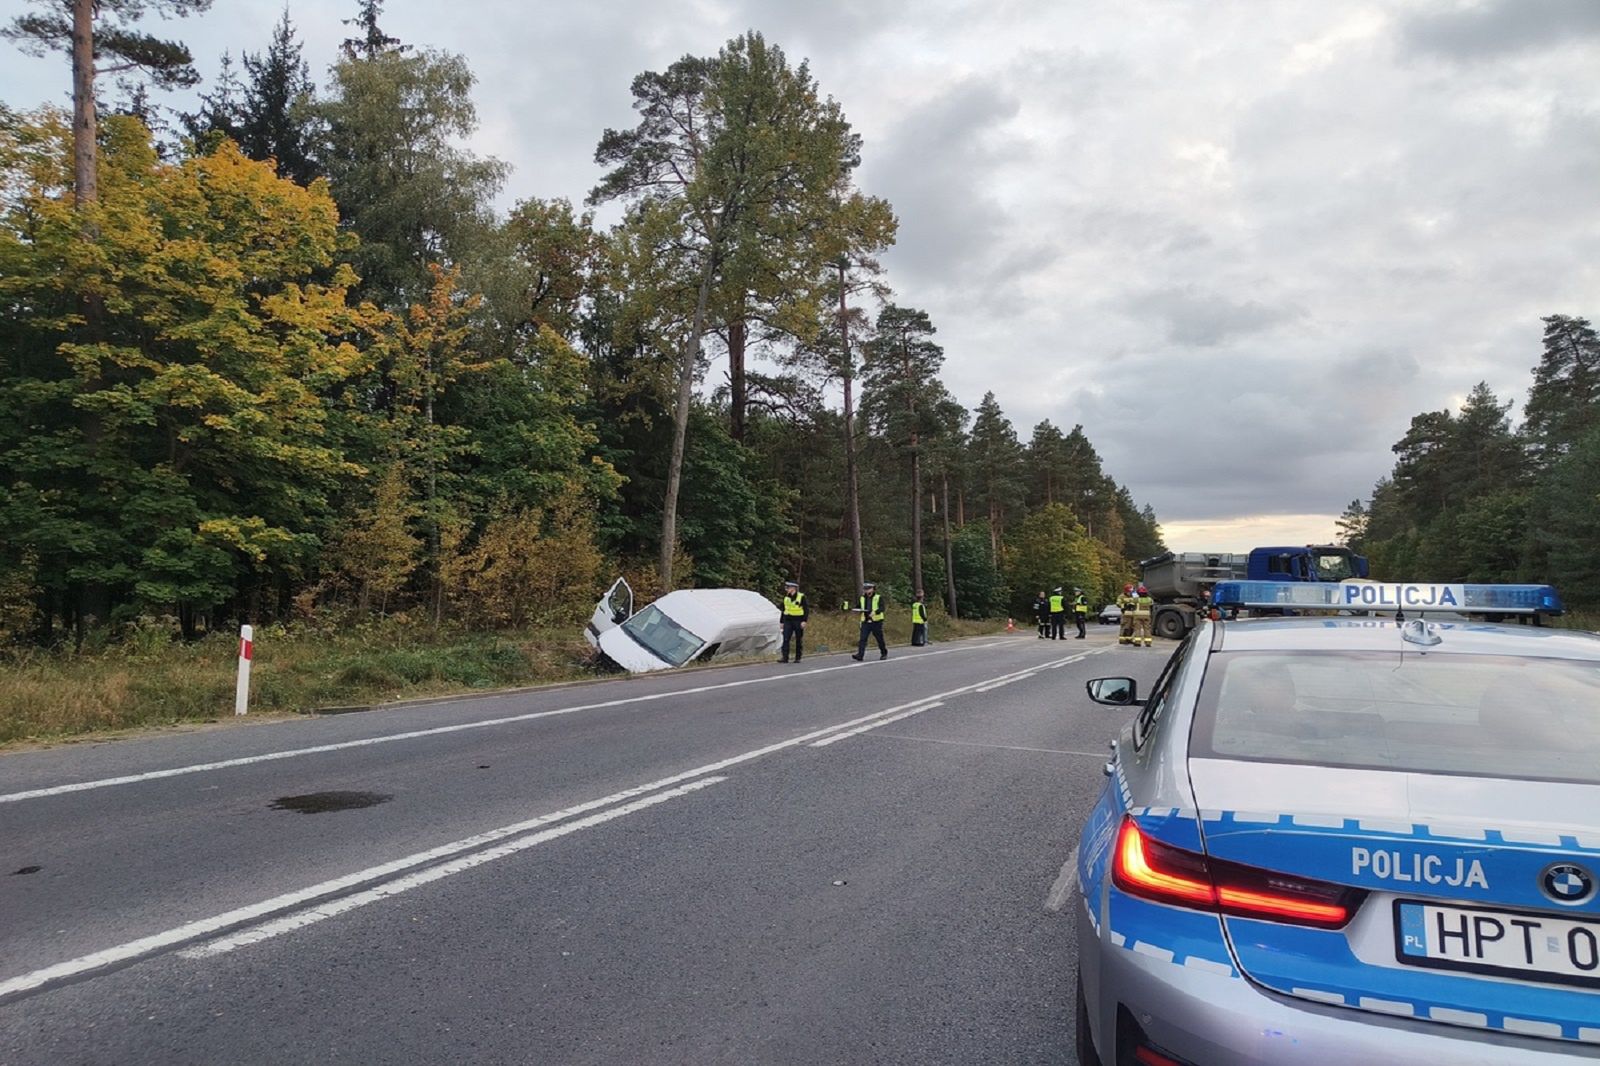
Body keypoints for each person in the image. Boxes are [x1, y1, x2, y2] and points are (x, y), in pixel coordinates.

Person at [850, 580, 888, 661]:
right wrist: (854, 609)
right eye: (865, 589)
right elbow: (859, 607)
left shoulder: (878, 597)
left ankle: (884, 653)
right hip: (865, 621)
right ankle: (860, 655)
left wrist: (875, 612)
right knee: (863, 639)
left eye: (868, 588)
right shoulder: (862, 598)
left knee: (879, 638)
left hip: (876, 621)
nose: (866, 590)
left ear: (873, 589)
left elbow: (882, 608)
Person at [779, 579, 808, 663]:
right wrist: (781, 622)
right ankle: (785, 657)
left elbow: (806, 609)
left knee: (798, 639)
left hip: (798, 620)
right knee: (786, 638)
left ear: (793, 588)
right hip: (788, 620)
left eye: (788, 587)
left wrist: (804, 621)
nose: (787, 589)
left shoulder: (801, 597)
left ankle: (798, 657)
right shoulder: (786, 598)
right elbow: (784, 610)